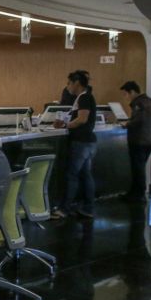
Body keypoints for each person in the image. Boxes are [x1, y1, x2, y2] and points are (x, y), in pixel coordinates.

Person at [54, 70, 97, 219]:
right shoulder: (85, 97)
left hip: (81, 142)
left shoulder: (84, 98)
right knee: (85, 175)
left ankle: (64, 209)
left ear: (76, 83)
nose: (68, 87)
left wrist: (66, 125)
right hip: (89, 142)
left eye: (69, 83)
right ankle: (88, 208)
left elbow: (82, 119)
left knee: (72, 175)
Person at [121, 81, 151, 201]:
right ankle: (136, 193)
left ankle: (138, 194)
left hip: (139, 140)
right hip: (149, 140)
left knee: (137, 168)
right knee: (140, 167)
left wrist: (127, 123)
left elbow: (139, 119)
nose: (126, 97)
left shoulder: (138, 103)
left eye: (126, 94)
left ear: (132, 92)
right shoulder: (149, 100)